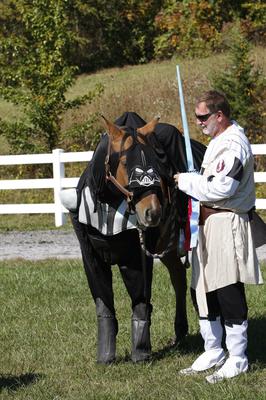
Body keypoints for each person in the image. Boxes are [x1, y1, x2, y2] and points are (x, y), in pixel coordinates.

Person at [174, 90, 263, 383]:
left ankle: (237, 357)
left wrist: (187, 181)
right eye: (197, 117)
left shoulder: (234, 144)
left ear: (219, 115)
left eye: (203, 117)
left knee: (227, 289)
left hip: (227, 222)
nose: (198, 122)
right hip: (207, 224)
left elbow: (221, 189)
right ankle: (213, 350)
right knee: (203, 287)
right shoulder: (217, 142)